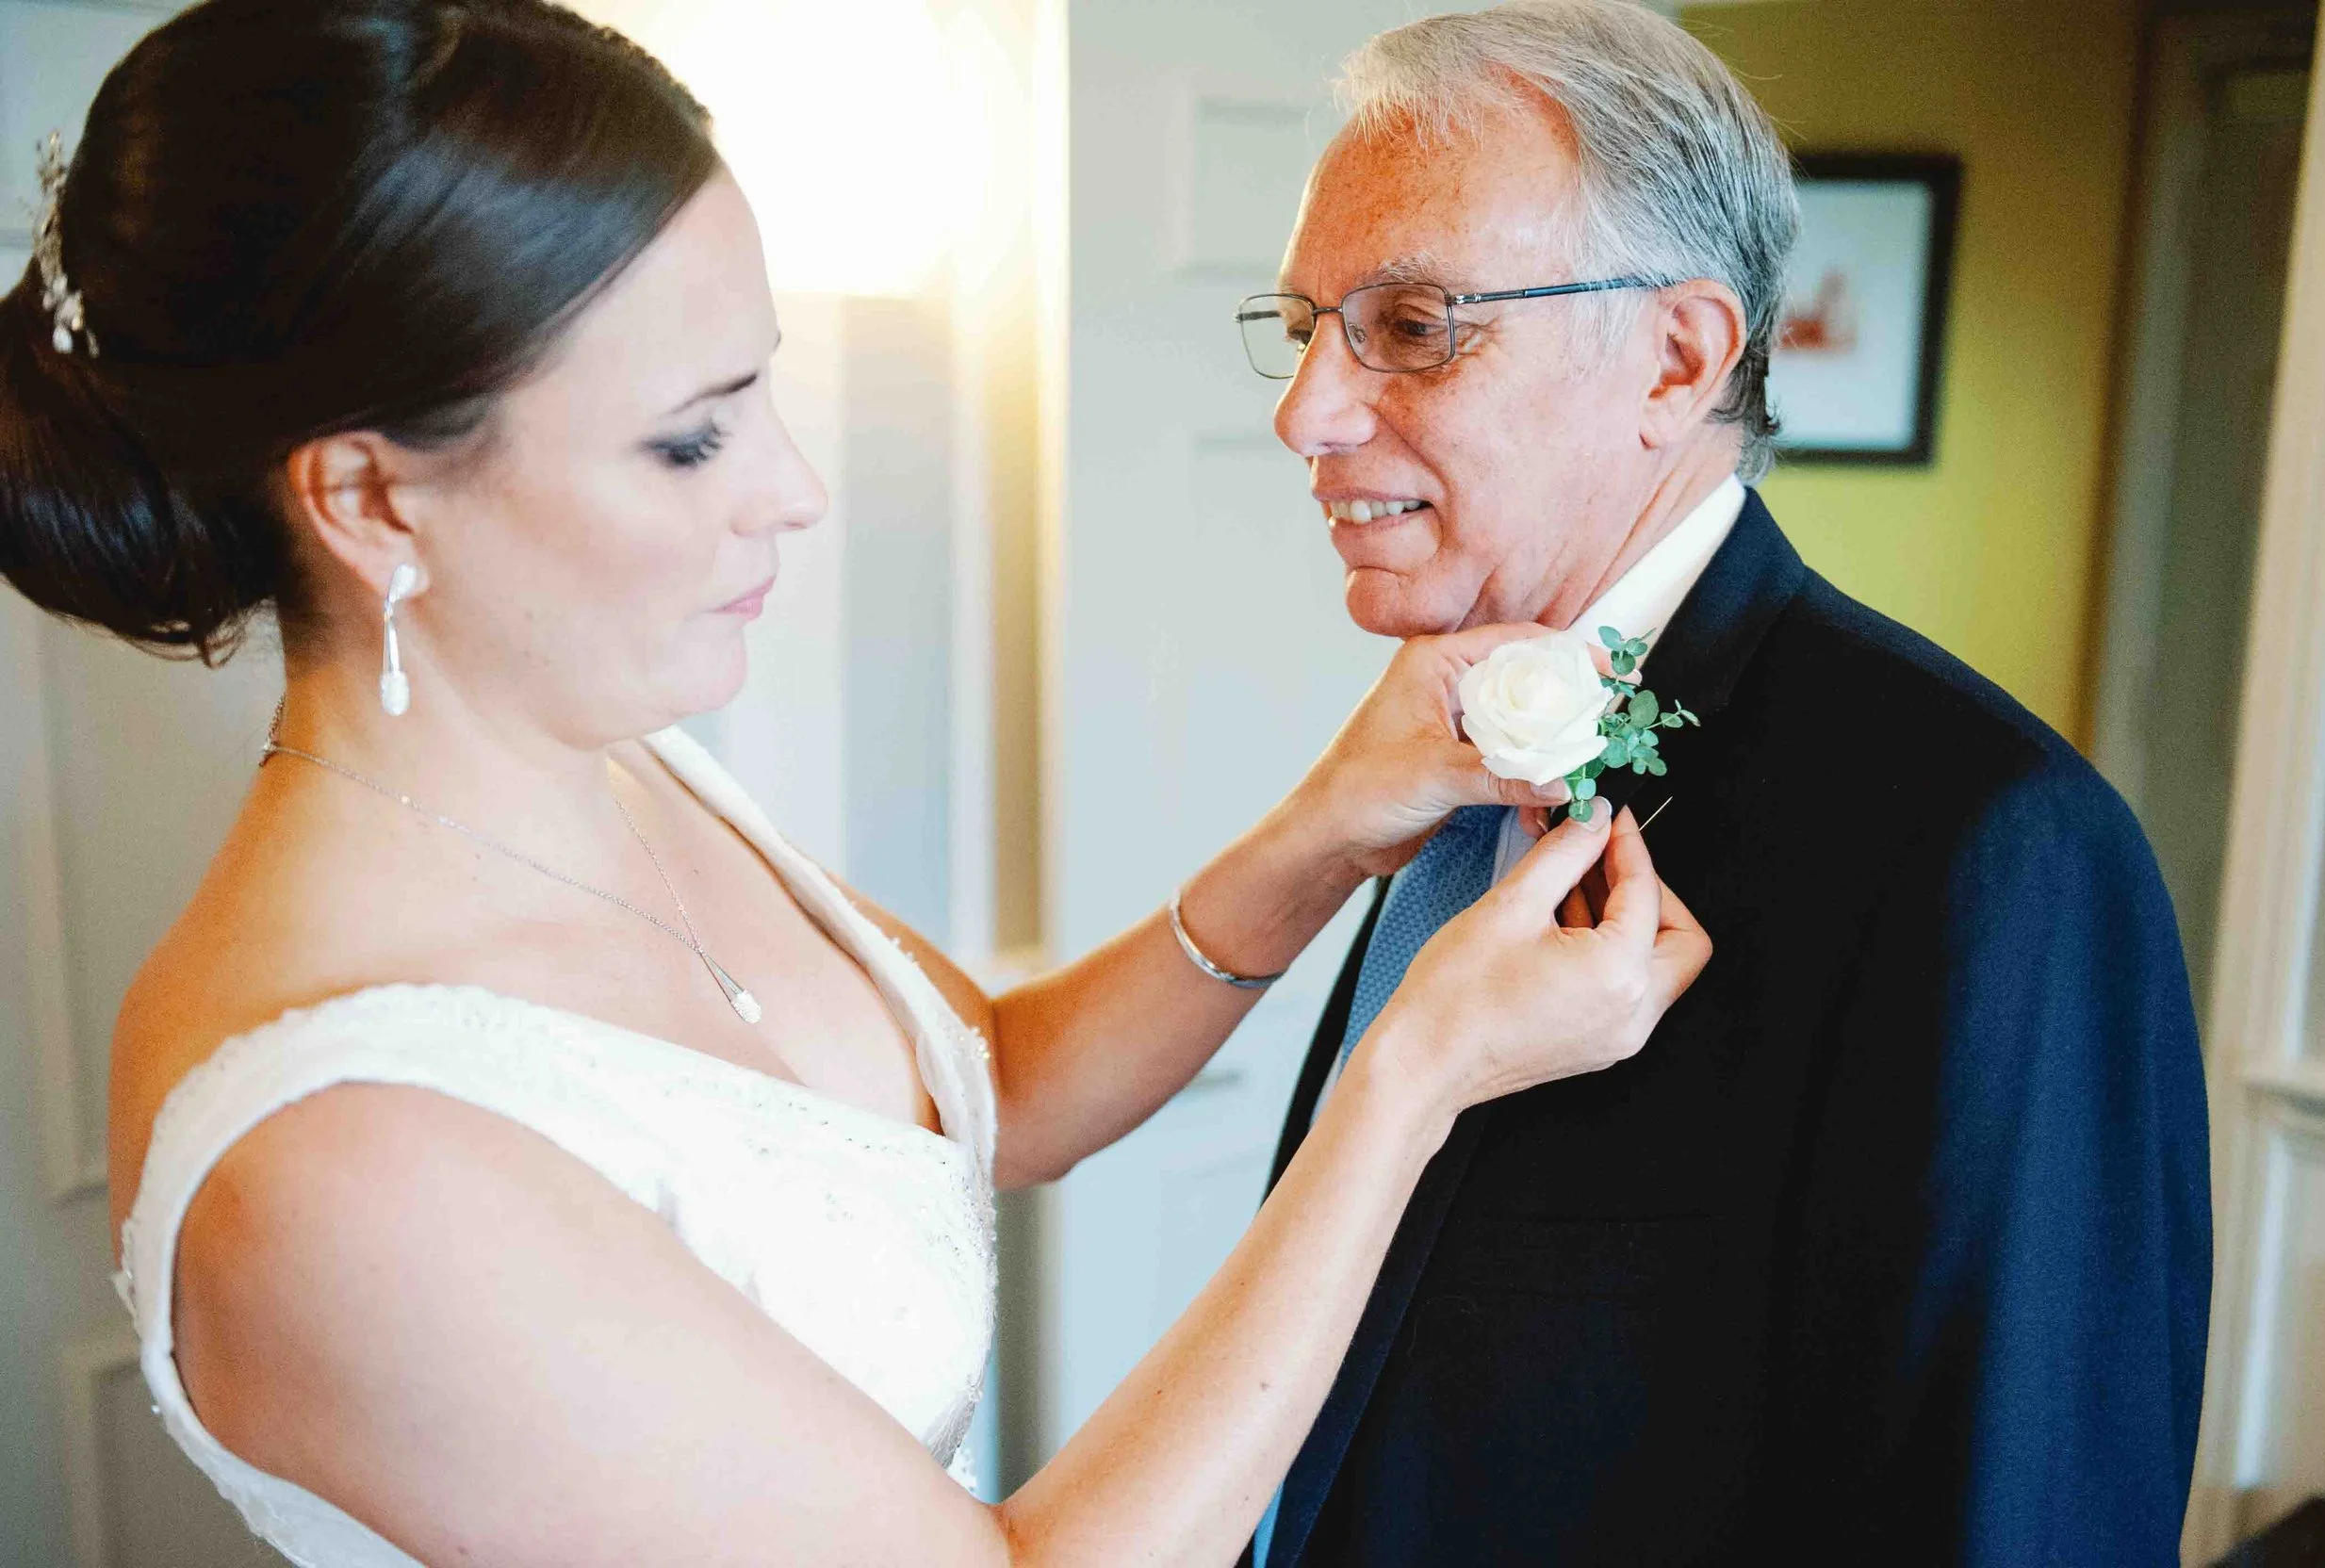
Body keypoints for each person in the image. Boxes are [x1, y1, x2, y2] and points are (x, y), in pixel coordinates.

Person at [0, 2, 1711, 1564]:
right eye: (692, 435)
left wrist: (1327, 830)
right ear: (371, 499)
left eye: (767, 391)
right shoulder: (345, 1170)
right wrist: (1410, 1079)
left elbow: (992, 1085)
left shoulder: (617, 753)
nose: (795, 489)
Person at [1239, 4, 2211, 1564]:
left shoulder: (1990, 850)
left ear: (1676, 359)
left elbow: (2021, 1517)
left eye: (1411, 325)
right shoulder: (1445, 758)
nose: (1308, 411)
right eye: (1302, 329)